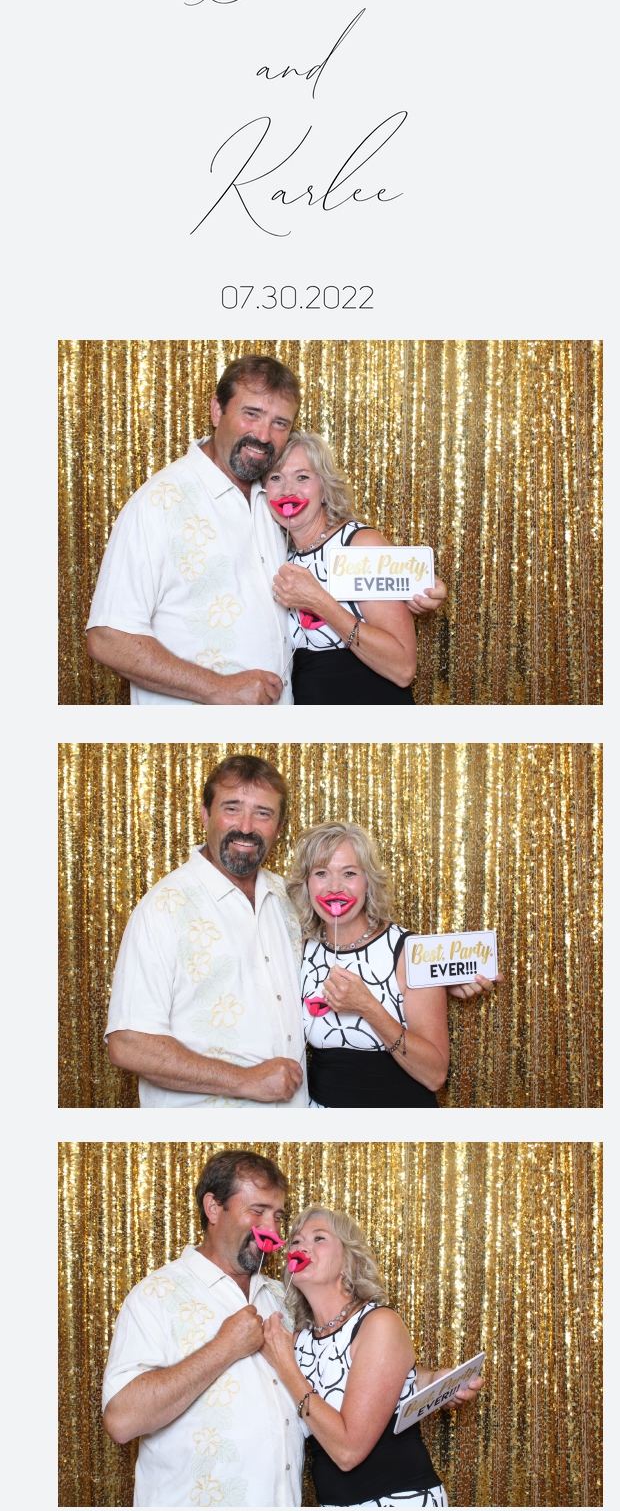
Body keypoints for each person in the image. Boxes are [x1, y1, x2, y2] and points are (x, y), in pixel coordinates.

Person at [86, 354, 300, 706]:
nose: (263, 435)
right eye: (251, 414)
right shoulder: (158, 503)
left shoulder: (274, 499)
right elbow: (108, 637)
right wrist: (218, 687)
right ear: (217, 411)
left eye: (279, 423)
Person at [102, 1151, 305, 1507]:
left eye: (277, 1216)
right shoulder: (155, 1295)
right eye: (257, 1211)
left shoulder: (282, 1297)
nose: (272, 1231)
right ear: (213, 1208)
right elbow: (121, 1419)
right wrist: (224, 1348)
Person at [106, 755, 308, 1109]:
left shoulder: (289, 899)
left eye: (262, 813)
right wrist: (246, 1080)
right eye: (232, 808)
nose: (246, 826)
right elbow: (128, 1044)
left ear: (279, 827)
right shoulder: (164, 907)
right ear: (205, 815)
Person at [262, 1208, 482, 1508]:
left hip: (399, 1502)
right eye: (296, 1241)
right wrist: (424, 1379)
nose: (301, 1247)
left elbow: (348, 1451)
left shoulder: (378, 1323)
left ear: (348, 1262)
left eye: (319, 1238)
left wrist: (285, 1367)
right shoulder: (298, 1341)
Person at [287, 821, 502, 1109]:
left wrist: (367, 1007)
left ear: (368, 882)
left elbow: (435, 1075)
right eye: (321, 873)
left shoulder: (409, 952)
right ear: (306, 883)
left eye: (349, 873)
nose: (334, 887)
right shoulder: (300, 950)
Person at [265, 431, 447, 704]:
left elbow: (403, 669)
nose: (287, 490)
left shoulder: (358, 545)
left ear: (325, 489)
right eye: (275, 478)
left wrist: (318, 602)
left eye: (302, 477)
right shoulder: (276, 553)